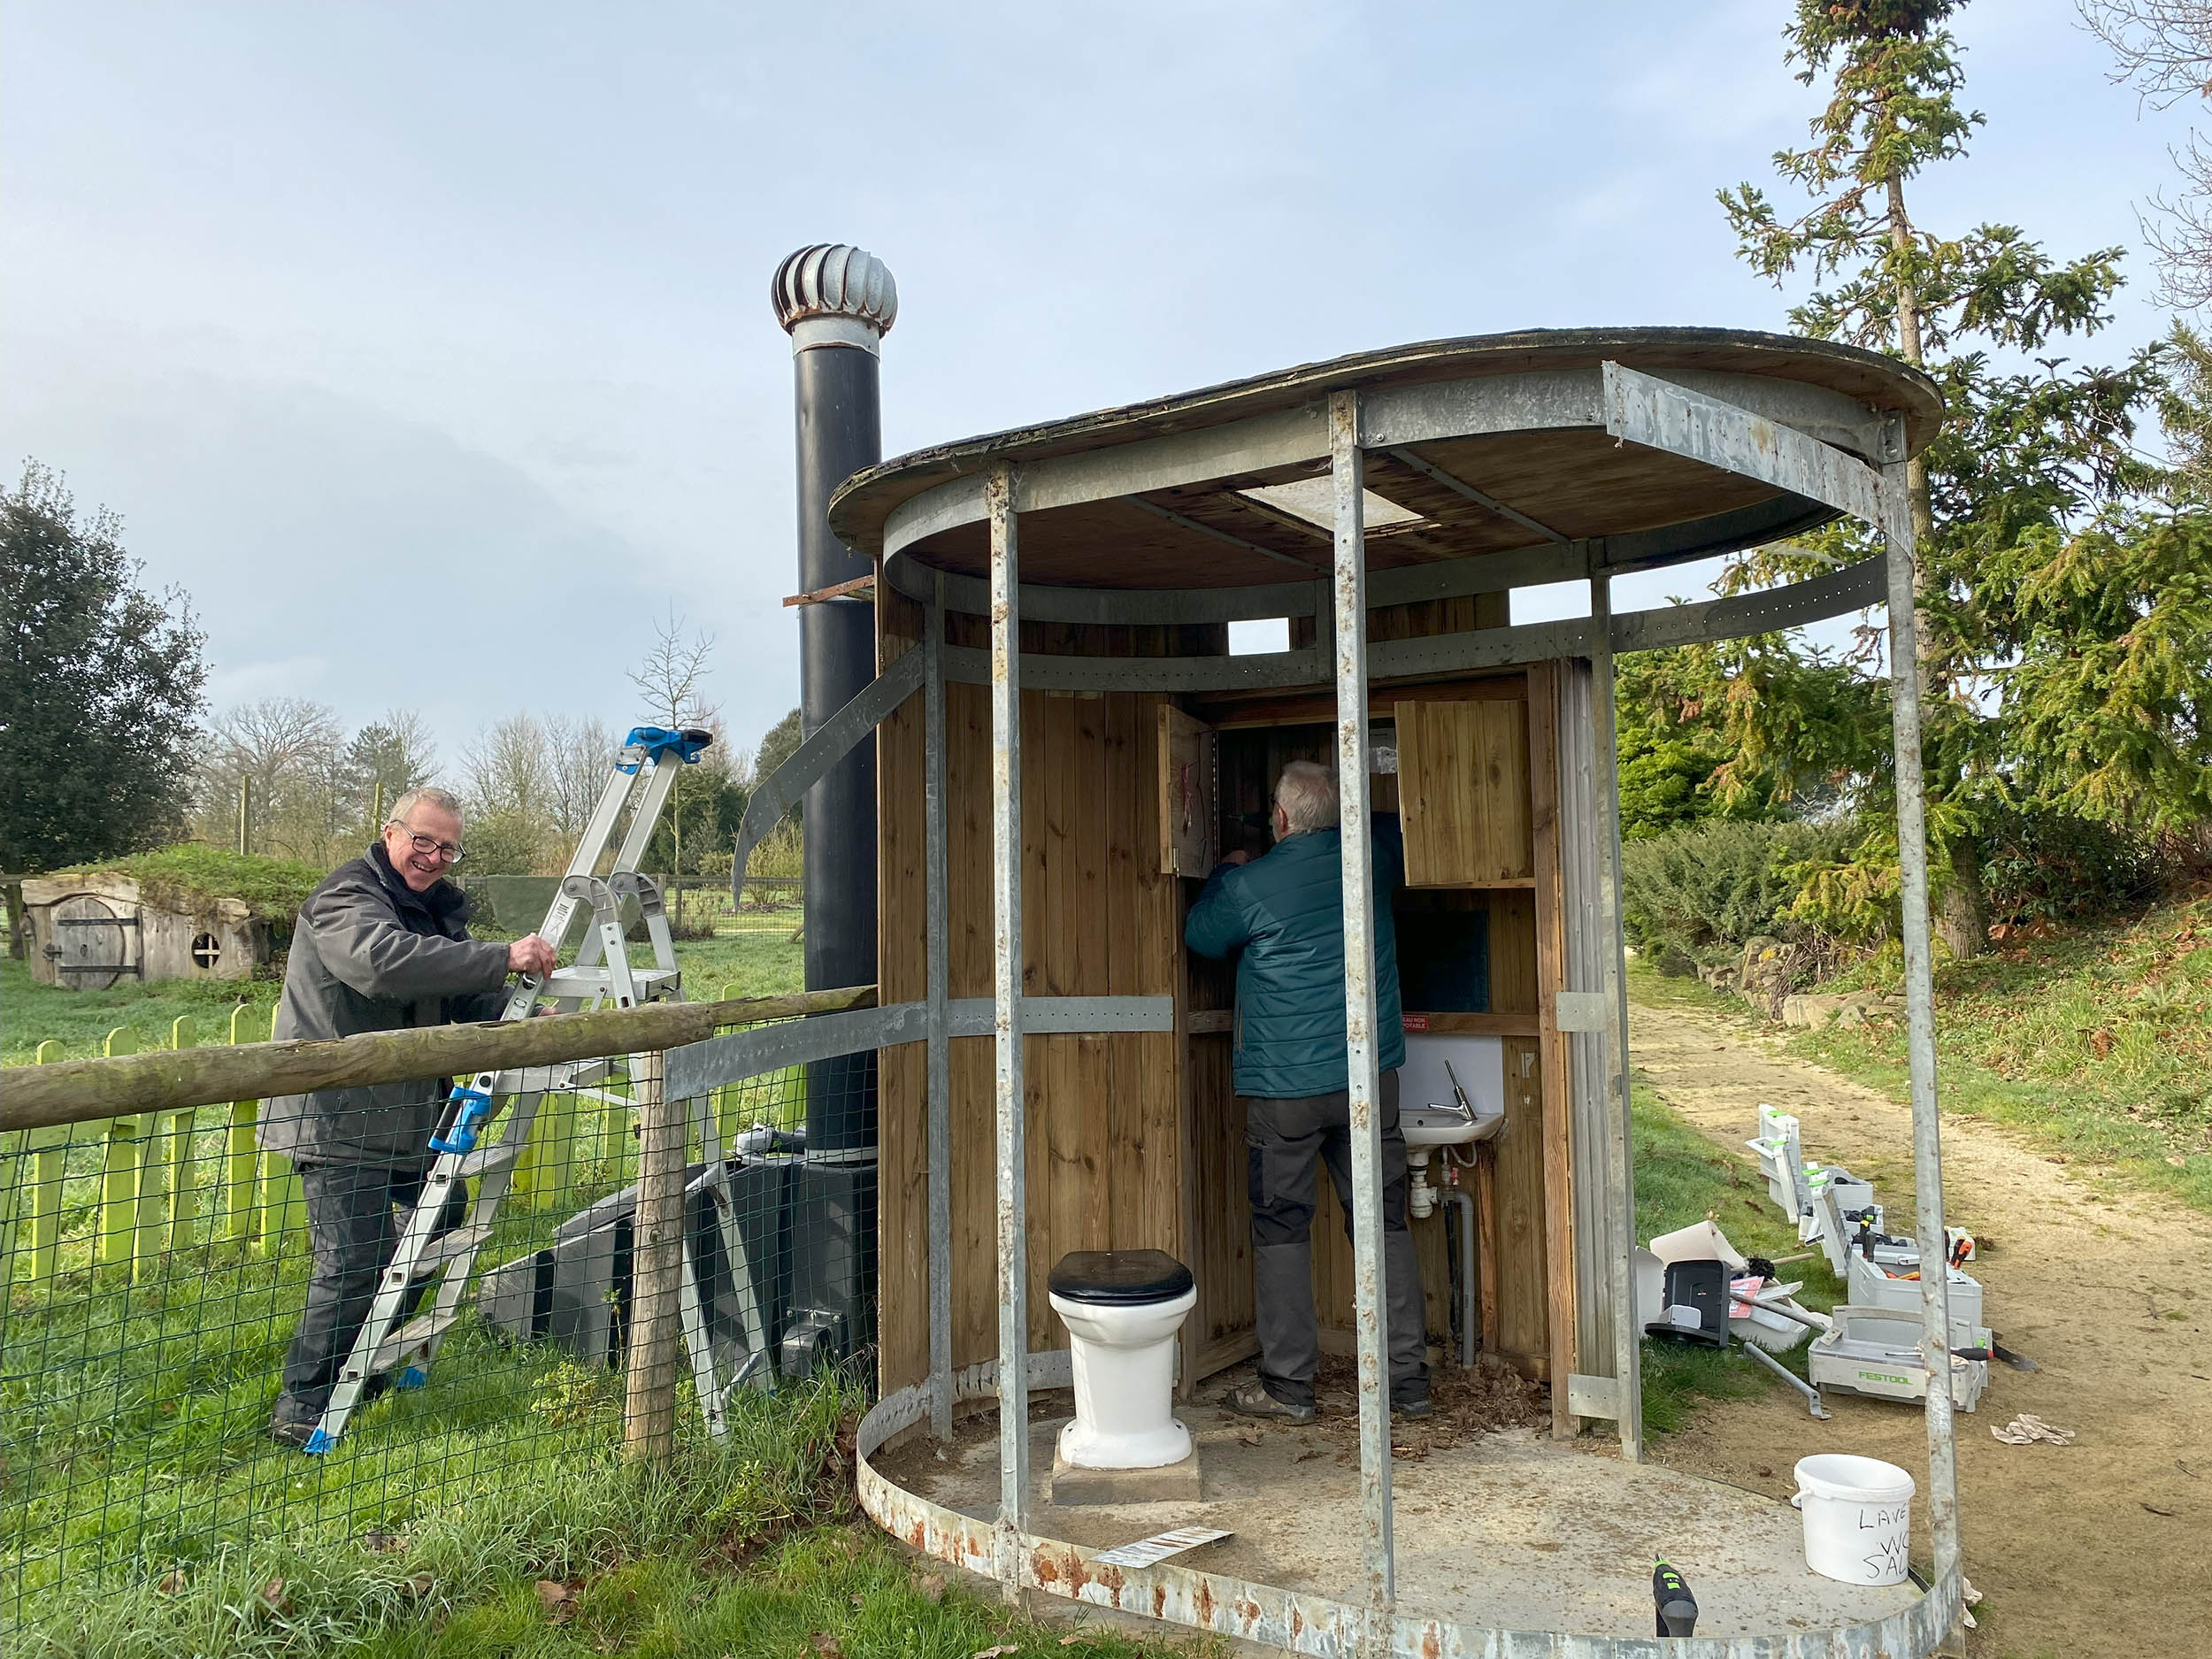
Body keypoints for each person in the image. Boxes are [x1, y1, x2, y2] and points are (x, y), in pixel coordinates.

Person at [258, 787, 557, 1448]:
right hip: (338, 1116)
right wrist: (502, 953)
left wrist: (516, 1008)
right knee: (353, 1258)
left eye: (448, 847)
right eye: (423, 840)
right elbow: (380, 964)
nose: (433, 856)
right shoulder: (345, 898)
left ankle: (364, 1367)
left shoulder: (430, 909)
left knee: (440, 1225)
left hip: (408, 1115)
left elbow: (453, 988)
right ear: (390, 833)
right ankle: (302, 1403)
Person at [1184, 759, 1430, 1425]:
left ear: (1282, 820)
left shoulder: (1252, 884)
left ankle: (1289, 1386)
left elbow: (1201, 935)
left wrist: (1226, 870)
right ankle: (1407, 1381)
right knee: (1384, 1223)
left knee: (1282, 1231)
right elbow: (1404, 824)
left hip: (1286, 1091)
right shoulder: (1373, 858)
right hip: (1366, 1081)